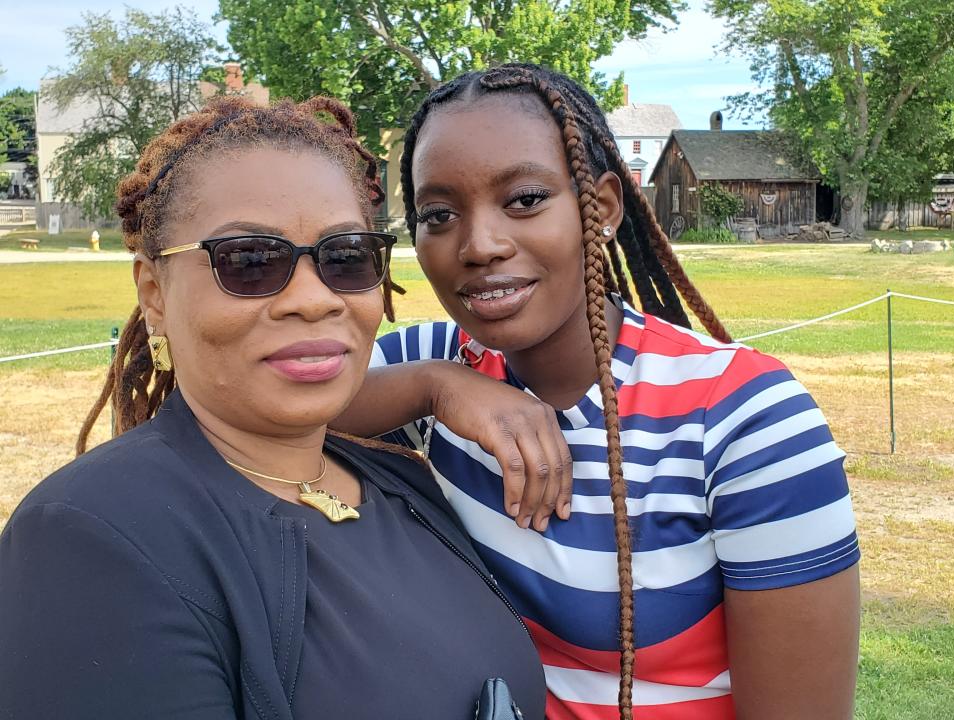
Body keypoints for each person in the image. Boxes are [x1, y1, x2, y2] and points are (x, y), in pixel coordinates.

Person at [333, 64, 861, 720]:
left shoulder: (744, 421)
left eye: (524, 199)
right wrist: (437, 388)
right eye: (438, 213)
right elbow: (276, 413)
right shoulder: (437, 363)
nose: (479, 244)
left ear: (602, 207)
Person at [0, 96, 546, 720]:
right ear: (155, 294)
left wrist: (434, 384)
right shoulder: (91, 536)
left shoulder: (398, 473)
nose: (313, 300)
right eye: (250, 262)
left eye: (346, 258)